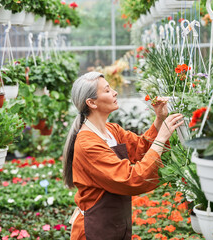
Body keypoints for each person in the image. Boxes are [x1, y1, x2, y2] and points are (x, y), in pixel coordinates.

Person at [62, 72, 184, 240]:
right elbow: (130, 179)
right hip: (95, 229)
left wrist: (159, 120)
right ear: (91, 103)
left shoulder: (111, 130)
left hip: (115, 224)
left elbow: (140, 148)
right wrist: (162, 137)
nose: (114, 92)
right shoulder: (87, 143)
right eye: (106, 90)